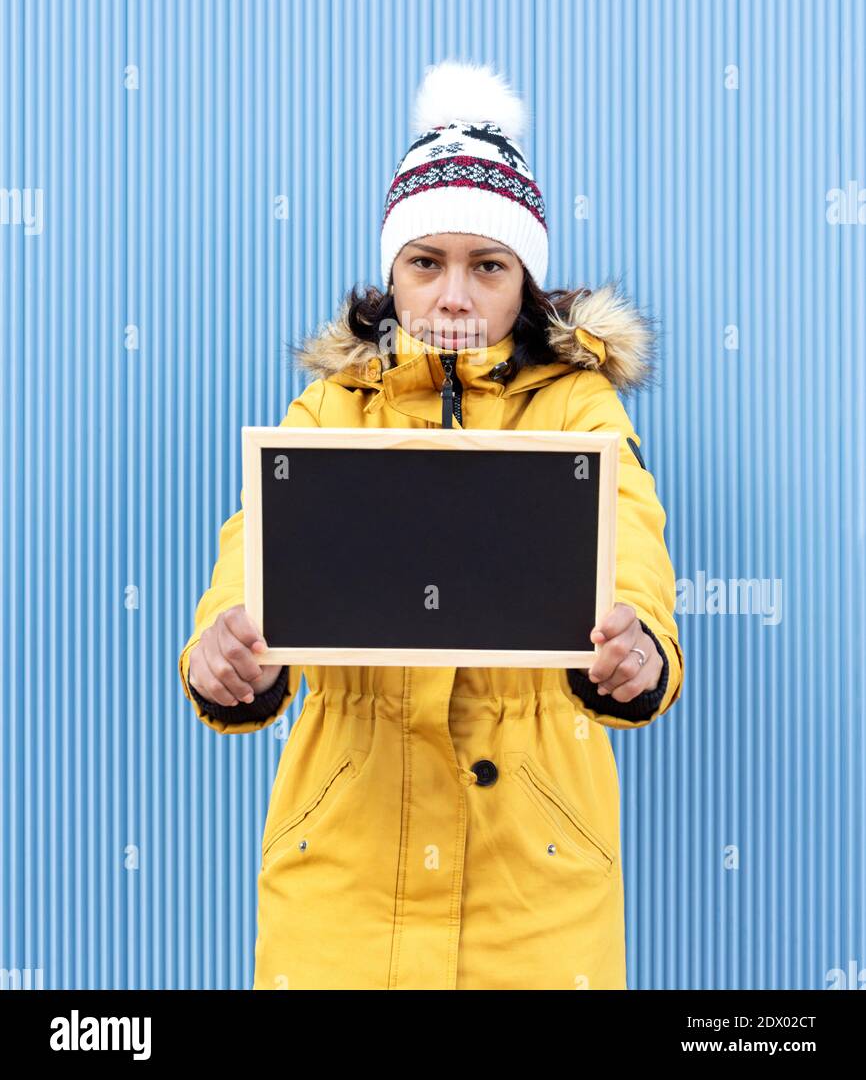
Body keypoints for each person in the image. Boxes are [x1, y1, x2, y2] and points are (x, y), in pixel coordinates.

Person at [178, 58, 684, 990]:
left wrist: (639, 642)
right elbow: (257, 543)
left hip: (535, 870)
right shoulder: (329, 408)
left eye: (487, 266)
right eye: (426, 263)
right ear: (395, 272)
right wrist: (227, 647)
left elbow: (629, 529)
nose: (453, 296)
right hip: (344, 852)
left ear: (523, 282)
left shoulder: (577, 410)